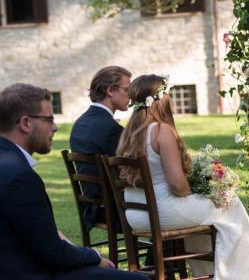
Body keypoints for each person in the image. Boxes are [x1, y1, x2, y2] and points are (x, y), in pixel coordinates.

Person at [117, 75, 249, 279]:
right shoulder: (161, 131)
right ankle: (242, 274)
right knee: (230, 204)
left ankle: (209, 274)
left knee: (205, 213)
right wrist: (192, 190)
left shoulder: (128, 134)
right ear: (162, 99)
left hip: (136, 216)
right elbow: (178, 185)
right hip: (162, 213)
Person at [0, 83, 144, 280]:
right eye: (49, 119)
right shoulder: (19, 177)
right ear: (25, 123)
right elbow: (54, 254)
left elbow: (35, 232)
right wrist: (93, 255)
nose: (55, 127)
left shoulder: (8, 162)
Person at [70, 66, 132, 230]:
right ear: (111, 90)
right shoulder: (110, 129)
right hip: (114, 211)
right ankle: (156, 257)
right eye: (128, 90)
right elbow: (132, 169)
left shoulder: (80, 123)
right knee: (169, 210)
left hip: (92, 208)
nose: (131, 95)